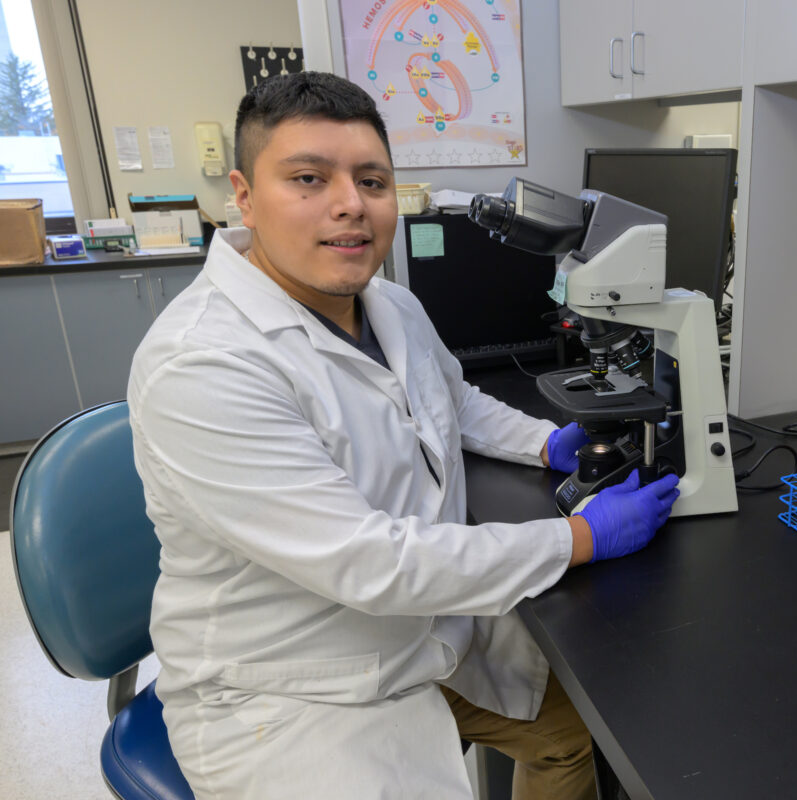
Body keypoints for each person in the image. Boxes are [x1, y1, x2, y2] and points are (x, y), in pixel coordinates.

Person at [127, 71, 680, 800]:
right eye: (308, 178)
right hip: (291, 689)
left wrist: (545, 444)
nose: (350, 204)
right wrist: (580, 537)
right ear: (245, 195)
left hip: (420, 632)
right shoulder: (202, 365)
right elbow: (370, 562)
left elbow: (452, 400)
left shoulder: (386, 302)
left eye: (372, 181)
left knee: (575, 736)